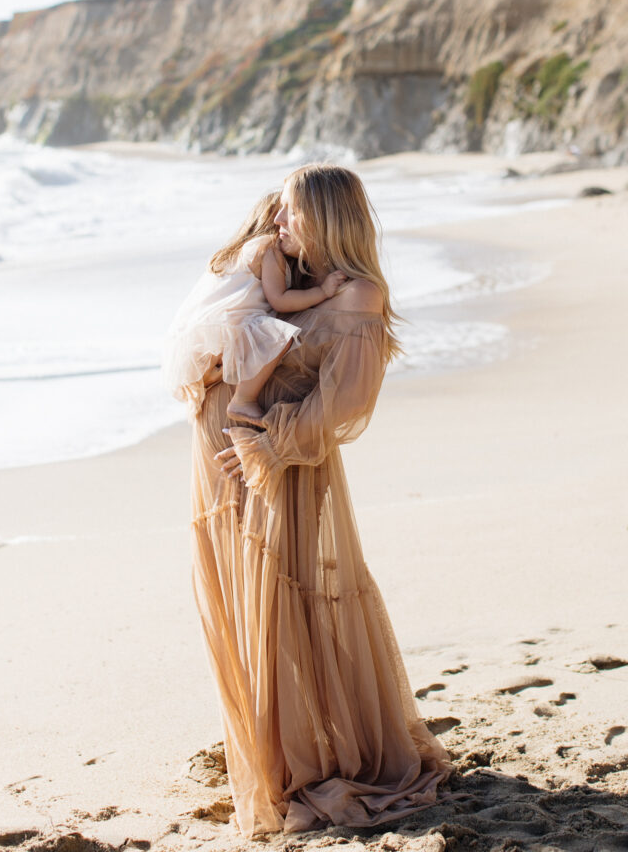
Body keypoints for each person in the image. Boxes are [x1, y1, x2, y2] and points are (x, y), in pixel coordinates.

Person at [185, 164, 453, 837]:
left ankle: (306, 752)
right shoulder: (293, 278)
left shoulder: (356, 293)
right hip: (233, 449)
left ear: (327, 220)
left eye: (292, 216)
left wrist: (262, 443)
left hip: (279, 462)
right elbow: (235, 315)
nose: (280, 226)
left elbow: (344, 404)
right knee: (249, 599)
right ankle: (270, 750)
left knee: (287, 601)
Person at [161, 191, 347, 424]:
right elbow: (280, 300)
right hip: (229, 328)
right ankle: (243, 400)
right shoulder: (268, 248)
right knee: (278, 337)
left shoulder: (240, 250)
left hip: (200, 335)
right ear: (273, 220)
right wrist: (322, 291)